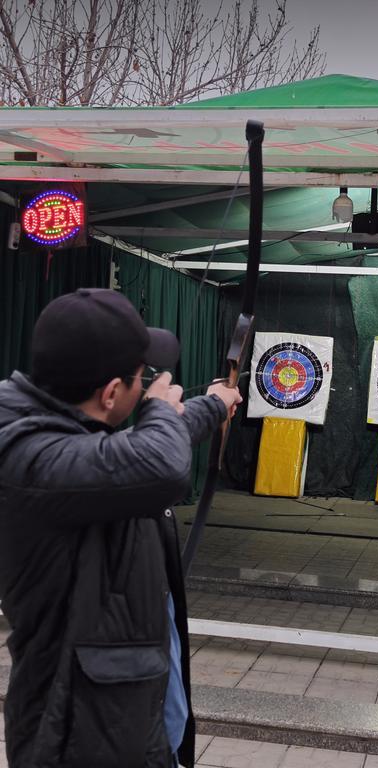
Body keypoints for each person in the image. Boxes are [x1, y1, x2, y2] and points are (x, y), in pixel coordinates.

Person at [0, 287, 242, 768]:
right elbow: (155, 460)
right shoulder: (29, 457)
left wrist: (213, 405)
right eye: (143, 377)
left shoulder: (59, 433)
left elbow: (132, 451)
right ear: (111, 393)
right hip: (78, 732)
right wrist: (159, 410)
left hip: (120, 713)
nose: (148, 384)